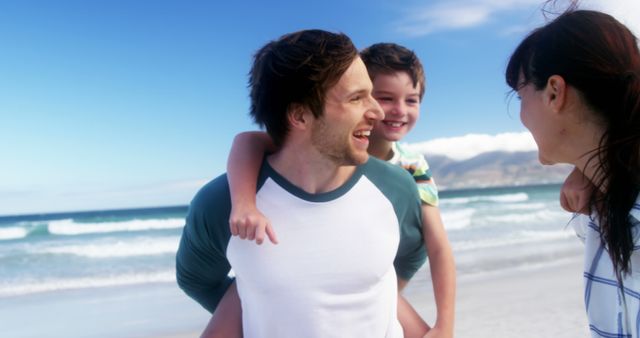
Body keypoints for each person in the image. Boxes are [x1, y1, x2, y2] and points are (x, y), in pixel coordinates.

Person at [176, 29, 429, 338]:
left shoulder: (397, 188)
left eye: (372, 94)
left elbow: (413, 254)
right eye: (357, 98)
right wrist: (263, 305)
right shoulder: (222, 203)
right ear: (299, 115)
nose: (376, 112)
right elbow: (197, 279)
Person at [226, 43, 455, 338]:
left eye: (412, 100)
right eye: (381, 97)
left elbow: (436, 246)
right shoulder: (323, 144)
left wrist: (444, 324)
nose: (397, 110)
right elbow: (248, 141)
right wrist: (243, 203)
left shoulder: (410, 167)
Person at [505, 6, 640, 337]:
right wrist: (589, 167)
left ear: (554, 92)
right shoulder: (598, 210)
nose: (521, 115)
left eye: (520, 95)